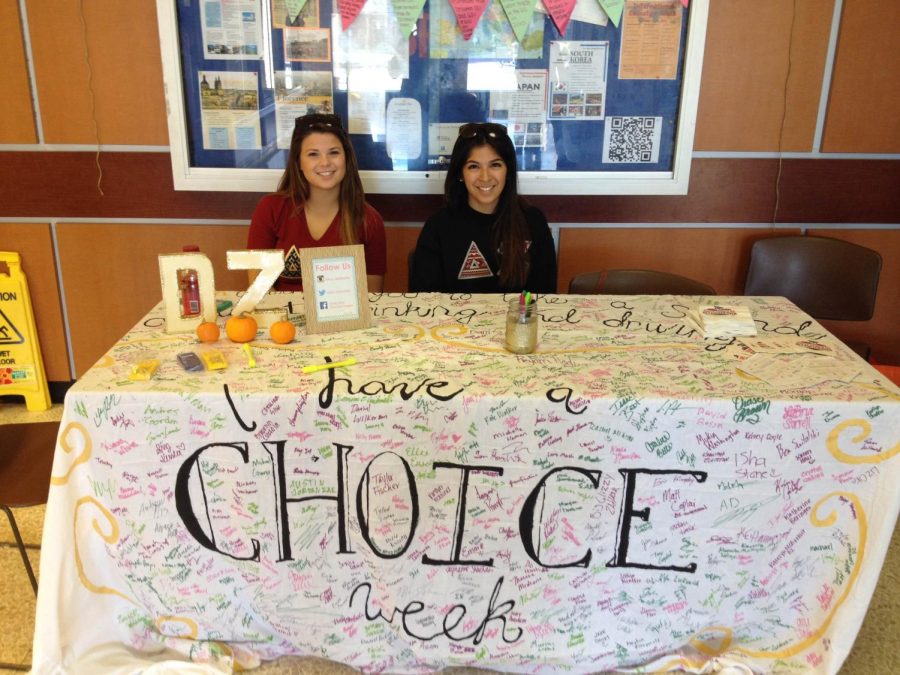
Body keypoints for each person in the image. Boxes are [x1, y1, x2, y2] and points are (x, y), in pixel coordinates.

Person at [409, 122, 556, 294]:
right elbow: (425, 300)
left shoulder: (533, 221)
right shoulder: (438, 227)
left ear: (508, 171)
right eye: (474, 166)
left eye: (495, 165)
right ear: (460, 173)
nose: (485, 177)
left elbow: (544, 297)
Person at [248, 113, 386, 291]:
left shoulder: (370, 221)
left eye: (334, 153)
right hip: (281, 317)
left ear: (347, 159)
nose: (325, 162)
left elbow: (371, 296)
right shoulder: (270, 208)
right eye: (313, 154)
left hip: (343, 319)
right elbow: (259, 288)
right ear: (298, 162)